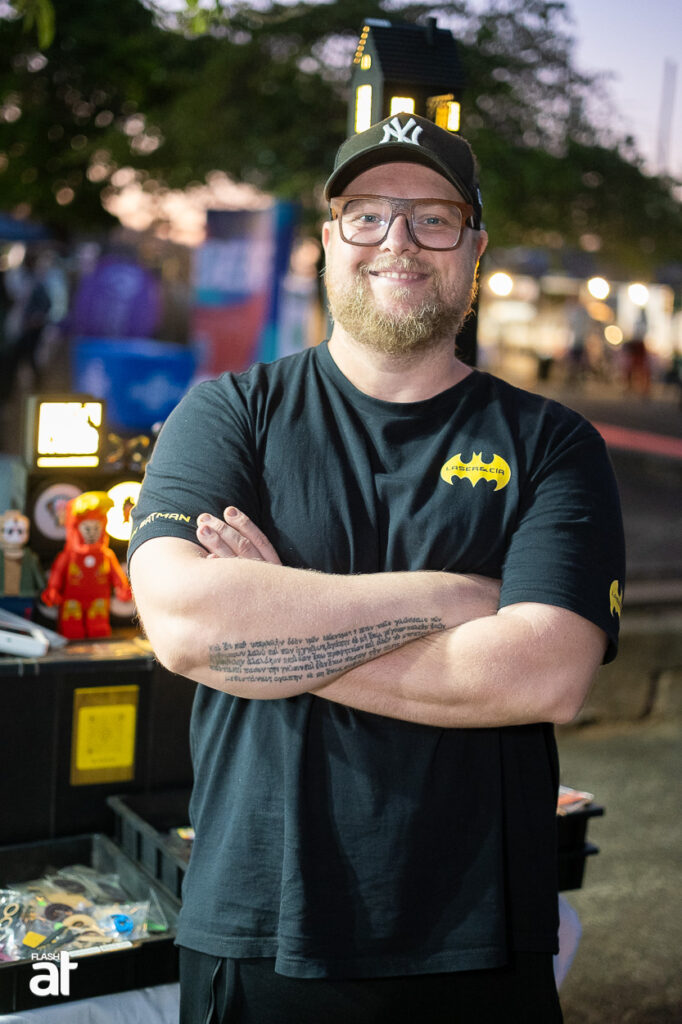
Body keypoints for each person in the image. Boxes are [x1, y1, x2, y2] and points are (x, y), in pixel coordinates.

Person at [129, 113, 625, 1024]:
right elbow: (187, 626)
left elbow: (546, 674)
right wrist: (454, 597)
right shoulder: (228, 415)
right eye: (366, 215)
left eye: (433, 218)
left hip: (479, 936)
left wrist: (269, 627)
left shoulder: (553, 443)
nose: (398, 240)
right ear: (330, 241)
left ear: (474, 248)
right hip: (257, 926)